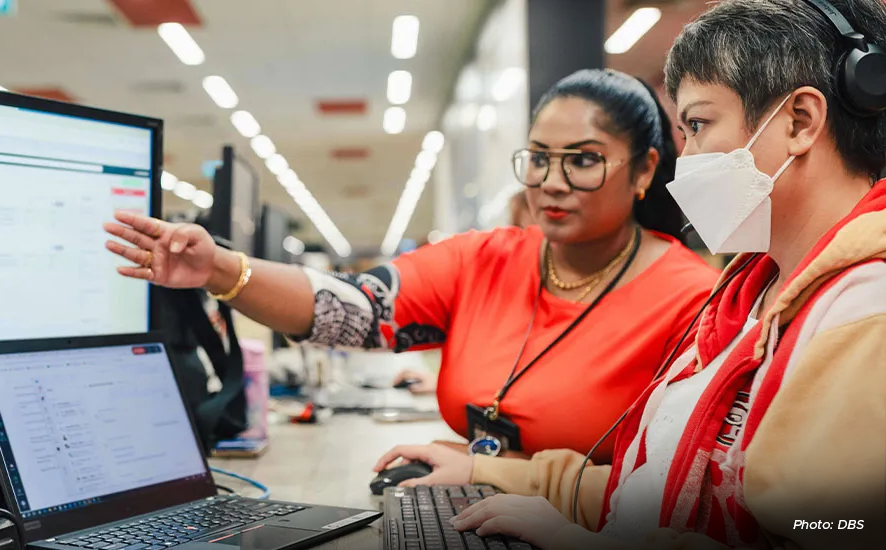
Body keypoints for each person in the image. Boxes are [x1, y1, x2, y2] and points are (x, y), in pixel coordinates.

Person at [374, 1, 886, 548]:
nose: (684, 156)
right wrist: (487, 473)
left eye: (697, 123)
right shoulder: (749, 294)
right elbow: (658, 494)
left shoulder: (864, 309)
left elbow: (836, 531)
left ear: (801, 122)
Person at [105, 69, 719, 465]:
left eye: (583, 161)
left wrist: (497, 473)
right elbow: (351, 308)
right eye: (537, 158)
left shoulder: (694, 300)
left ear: (643, 171)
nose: (551, 183)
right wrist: (220, 270)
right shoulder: (485, 259)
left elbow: (688, 485)